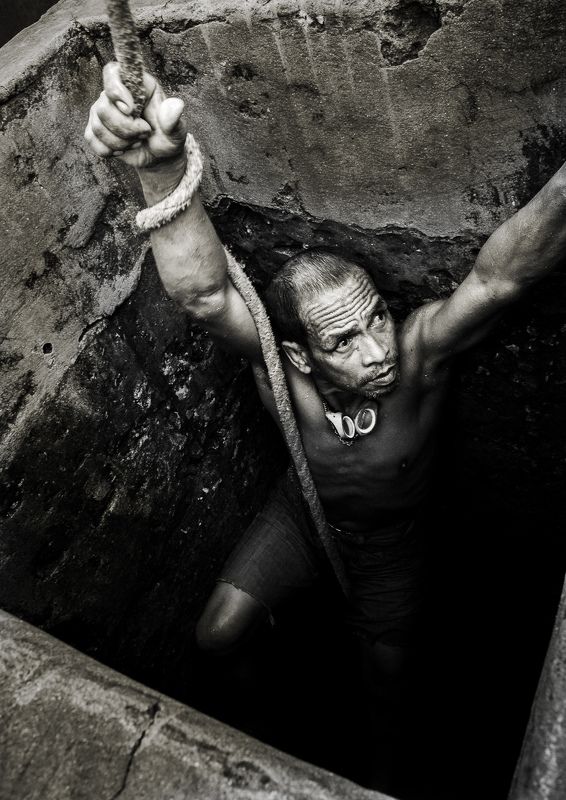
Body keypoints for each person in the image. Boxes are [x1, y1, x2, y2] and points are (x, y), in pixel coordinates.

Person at [85, 63, 566, 790]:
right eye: (344, 341)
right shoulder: (280, 375)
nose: (376, 351)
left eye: (377, 318)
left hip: (391, 547)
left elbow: (501, 278)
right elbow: (206, 296)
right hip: (301, 519)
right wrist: (158, 171)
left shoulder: (420, 354)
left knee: (387, 695)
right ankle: (269, 744)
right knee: (217, 635)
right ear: (300, 357)